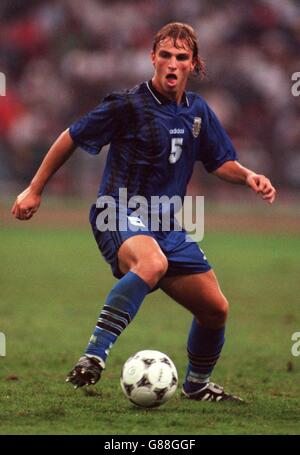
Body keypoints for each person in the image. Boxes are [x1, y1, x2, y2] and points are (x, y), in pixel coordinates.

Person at [12, 22, 276, 402]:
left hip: (167, 223)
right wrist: (34, 189)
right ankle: (94, 355)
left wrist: (250, 176)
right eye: (165, 55)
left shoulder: (198, 110)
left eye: (181, 57)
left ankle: (196, 386)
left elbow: (220, 162)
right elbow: (70, 136)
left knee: (216, 309)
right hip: (117, 210)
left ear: (194, 63)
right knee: (151, 263)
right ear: (152, 58)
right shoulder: (127, 104)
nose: (172, 63)